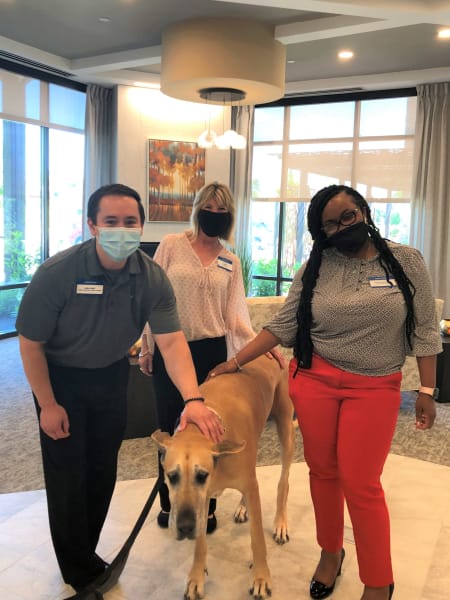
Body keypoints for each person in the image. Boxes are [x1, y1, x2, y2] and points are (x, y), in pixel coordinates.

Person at [206, 184, 442, 600]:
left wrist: (426, 388)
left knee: (362, 481)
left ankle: (378, 579)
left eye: (347, 216)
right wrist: (236, 360)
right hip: (315, 381)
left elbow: (424, 327)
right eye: (329, 224)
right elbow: (283, 325)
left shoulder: (406, 260)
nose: (341, 227)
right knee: (323, 473)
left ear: (364, 211)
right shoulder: (315, 267)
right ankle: (330, 553)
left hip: (375, 385)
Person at [15, 183, 223, 592]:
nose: (121, 229)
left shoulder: (151, 278)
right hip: (61, 380)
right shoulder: (57, 274)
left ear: (141, 225)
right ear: (92, 225)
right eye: (110, 221)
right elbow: (30, 342)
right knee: (67, 476)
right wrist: (47, 404)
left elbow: (171, 342)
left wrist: (193, 399)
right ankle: (80, 572)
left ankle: (85, 553)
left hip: (111, 377)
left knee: (101, 471)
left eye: (130, 221)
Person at [139, 181, 283, 533]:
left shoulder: (230, 260)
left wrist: (264, 344)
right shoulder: (173, 246)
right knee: (172, 430)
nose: (214, 216)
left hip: (211, 352)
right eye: (209, 208)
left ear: (229, 217)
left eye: (222, 212)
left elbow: (236, 316)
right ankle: (169, 504)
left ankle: (209, 504)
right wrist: (146, 343)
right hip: (171, 346)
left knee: (210, 432)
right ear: (198, 209)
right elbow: (150, 296)